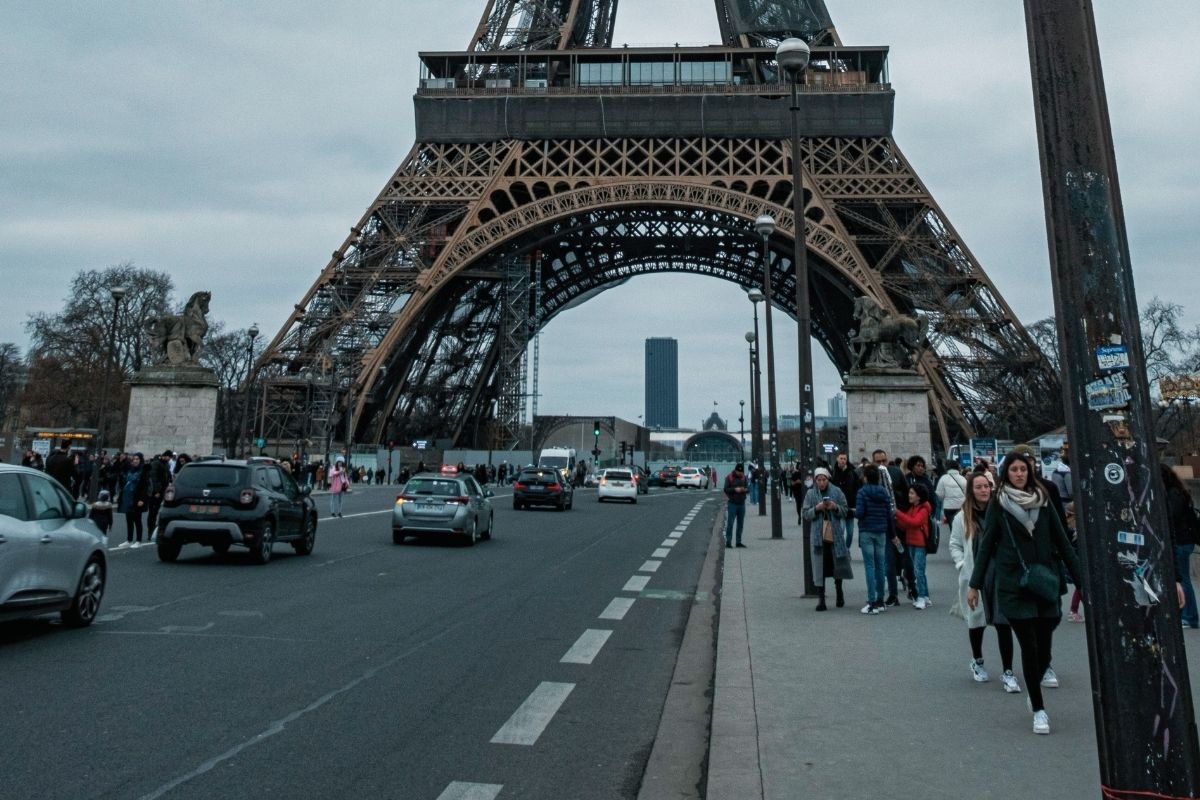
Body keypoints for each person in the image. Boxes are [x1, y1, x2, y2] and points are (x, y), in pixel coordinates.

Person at [968, 450, 1083, 735]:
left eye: (1023, 469)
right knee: (1029, 647)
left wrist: (1082, 582)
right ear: (1005, 473)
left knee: (1044, 647)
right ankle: (1039, 708)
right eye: (1014, 469)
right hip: (1013, 584)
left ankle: (1035, 687)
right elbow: (986, 546)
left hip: (1043, 581)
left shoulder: (1043, 502)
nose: (1019, 473)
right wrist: (975, 583)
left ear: (1030, 472)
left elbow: (1063, 542)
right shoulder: (999, 504)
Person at [950, 472, 1020, 693]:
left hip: (999, 573)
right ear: (971, 490)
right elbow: (955, 544)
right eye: (978, 487)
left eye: (986, 486)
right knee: (977, 621)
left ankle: (1008, 671)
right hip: (974, 576)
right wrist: (962, 565)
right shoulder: (962, 517)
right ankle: (977, 661)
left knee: (1003, 622)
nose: (983, 490)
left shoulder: (1000, 512)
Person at [802, 467, 852, 611]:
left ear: (828, 479)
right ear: (815, 480)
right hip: (818, 535)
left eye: (824, 480)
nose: (822, 483)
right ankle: (821, 598)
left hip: (834, 533)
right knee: (820, 566)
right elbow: (805, 513)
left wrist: (835, 507)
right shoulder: (810, 494)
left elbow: (845, 510)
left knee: (836, 563)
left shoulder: (836, 491)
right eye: (819, 480)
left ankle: (839, 591)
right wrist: (816, 509)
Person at [1163, 464, 1199, 629]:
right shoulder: (1179, 493)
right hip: (1186, 540)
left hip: (1181, 540)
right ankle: (1188, 615)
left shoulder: (1174, 496)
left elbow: (1171, 516)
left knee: (1183, 578)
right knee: (1183, 578)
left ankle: (1189, 616)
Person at [855, 464, 894, 614]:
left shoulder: (862, 492)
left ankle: (871, 600)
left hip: (867, 530)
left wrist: (853, 512)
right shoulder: (884, 492)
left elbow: (860, 513)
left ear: (865, 477)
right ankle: (880, 600)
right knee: (880, 565)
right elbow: (888, 512)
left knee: (869, 566)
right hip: (881, 530)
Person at [896, 483, 934, 609]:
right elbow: (906, 524)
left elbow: (914, 522)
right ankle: (926, 596)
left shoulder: (923, 509)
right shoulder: (914, 507)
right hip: (911, 542)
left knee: (919, 571)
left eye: (912, 493)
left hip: (919, 543)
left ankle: (921, 597)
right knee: (919, 570)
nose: (909, 495)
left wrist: (898, 513)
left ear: (919, 496)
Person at [117, 453, 150, 549]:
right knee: (129, 519)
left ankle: (138, 540)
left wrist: (142, 499)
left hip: (137, 497)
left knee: (137, 520)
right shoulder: (129, 470)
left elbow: (145, 486)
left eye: (137, 459)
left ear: (141, 460)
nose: (135, 461)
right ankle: (129, 539)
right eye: (134, 459)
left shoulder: (143, 471)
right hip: (128, 497)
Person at [831, 453, 860, 549]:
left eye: (845, 459)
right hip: (838, 506)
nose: (843, 460)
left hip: (850, 506)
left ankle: (847, 548)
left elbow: (857, 487)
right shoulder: (834, 473)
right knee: (841, 530)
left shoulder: (851, 472)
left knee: (850, 532)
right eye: (841, 458)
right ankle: (842, 550)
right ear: (837, 459)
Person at [723, 463, 749, 548]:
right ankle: (728, 542)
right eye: (739, 472)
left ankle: (738, 542)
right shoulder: (729, 477)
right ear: (736, 470)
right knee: (730, 523)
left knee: (740, 524)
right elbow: (726, 489)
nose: (740, 474)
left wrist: (744, 490)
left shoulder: (744, 477)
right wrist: (735, 489)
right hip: (732, 503)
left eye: (741, 472)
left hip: (742, 503)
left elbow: (747, 488)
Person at [935, 461, 968, 530]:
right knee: (961, 526)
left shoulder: (943, 478)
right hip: (961, 506)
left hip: (949, 507)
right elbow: (967, 493)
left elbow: (940, 494)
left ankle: (953, 539)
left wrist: (945, 499)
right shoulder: (963, 478)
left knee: (952, 527)